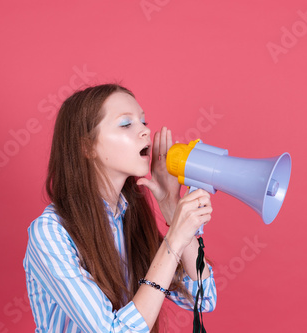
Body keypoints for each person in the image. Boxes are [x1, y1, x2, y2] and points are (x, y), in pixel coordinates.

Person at [23, 84, 217, 332]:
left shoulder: (128, 219)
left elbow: (204, 297)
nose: (146, 131)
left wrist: (171, 208)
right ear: (87, 147)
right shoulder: (50, 233)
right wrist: (174, 238)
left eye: (144, 121)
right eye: (126, 124)